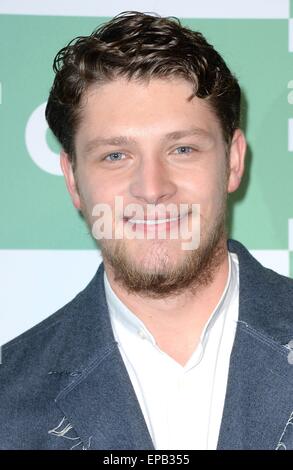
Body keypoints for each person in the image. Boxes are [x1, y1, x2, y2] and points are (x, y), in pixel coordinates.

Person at [1, 10, 293, 451]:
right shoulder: (9, 399)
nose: (153, 189)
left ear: (233, 161)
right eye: (116, 155)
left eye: (182, 148)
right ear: (73, 180)